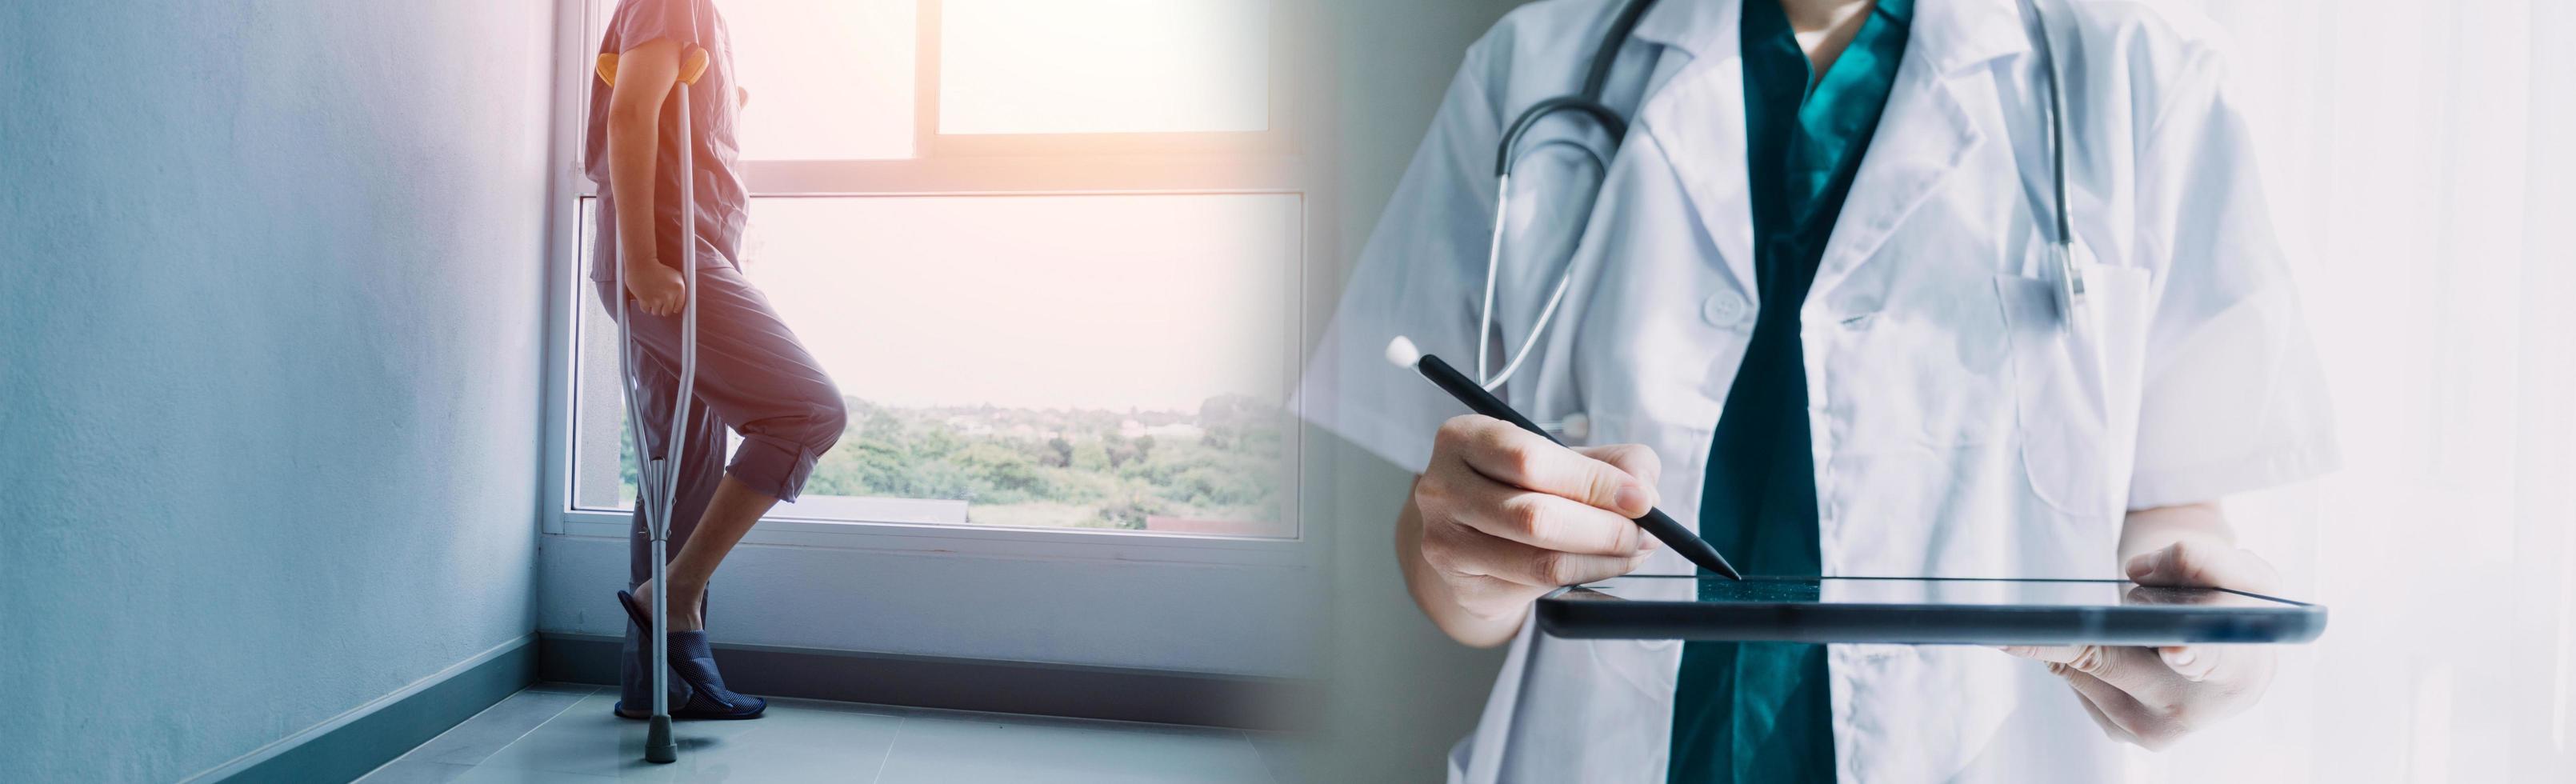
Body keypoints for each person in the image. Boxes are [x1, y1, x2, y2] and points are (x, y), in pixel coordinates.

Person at [1298, 0, 2338, 781]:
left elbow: (2174, 522)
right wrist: (1476, 562)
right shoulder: (1538, 67)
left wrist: (2215, 657)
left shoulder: (2139, 80)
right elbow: (1445, 554)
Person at [588, 0, 847, 721]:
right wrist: (643, 260)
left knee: (681, 473)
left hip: (684, 257)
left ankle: (660, 689)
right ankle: (670, 598)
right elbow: (630, 116)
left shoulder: (704, 22)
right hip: (668, 259)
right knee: (809, 410)